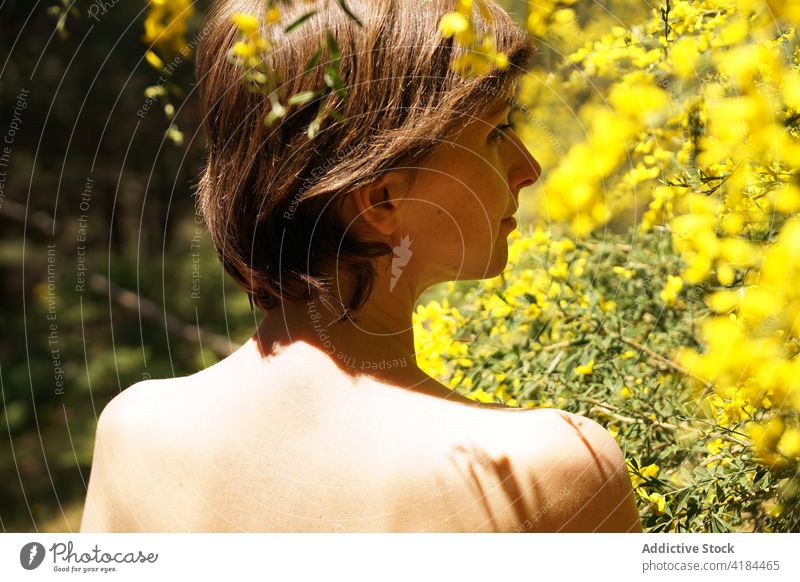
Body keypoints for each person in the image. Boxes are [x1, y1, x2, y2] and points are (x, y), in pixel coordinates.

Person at [80, 0, 643, 533]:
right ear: (379, 203)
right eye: (496, 134)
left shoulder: (134, 433)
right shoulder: (542, 470)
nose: (530, 167)